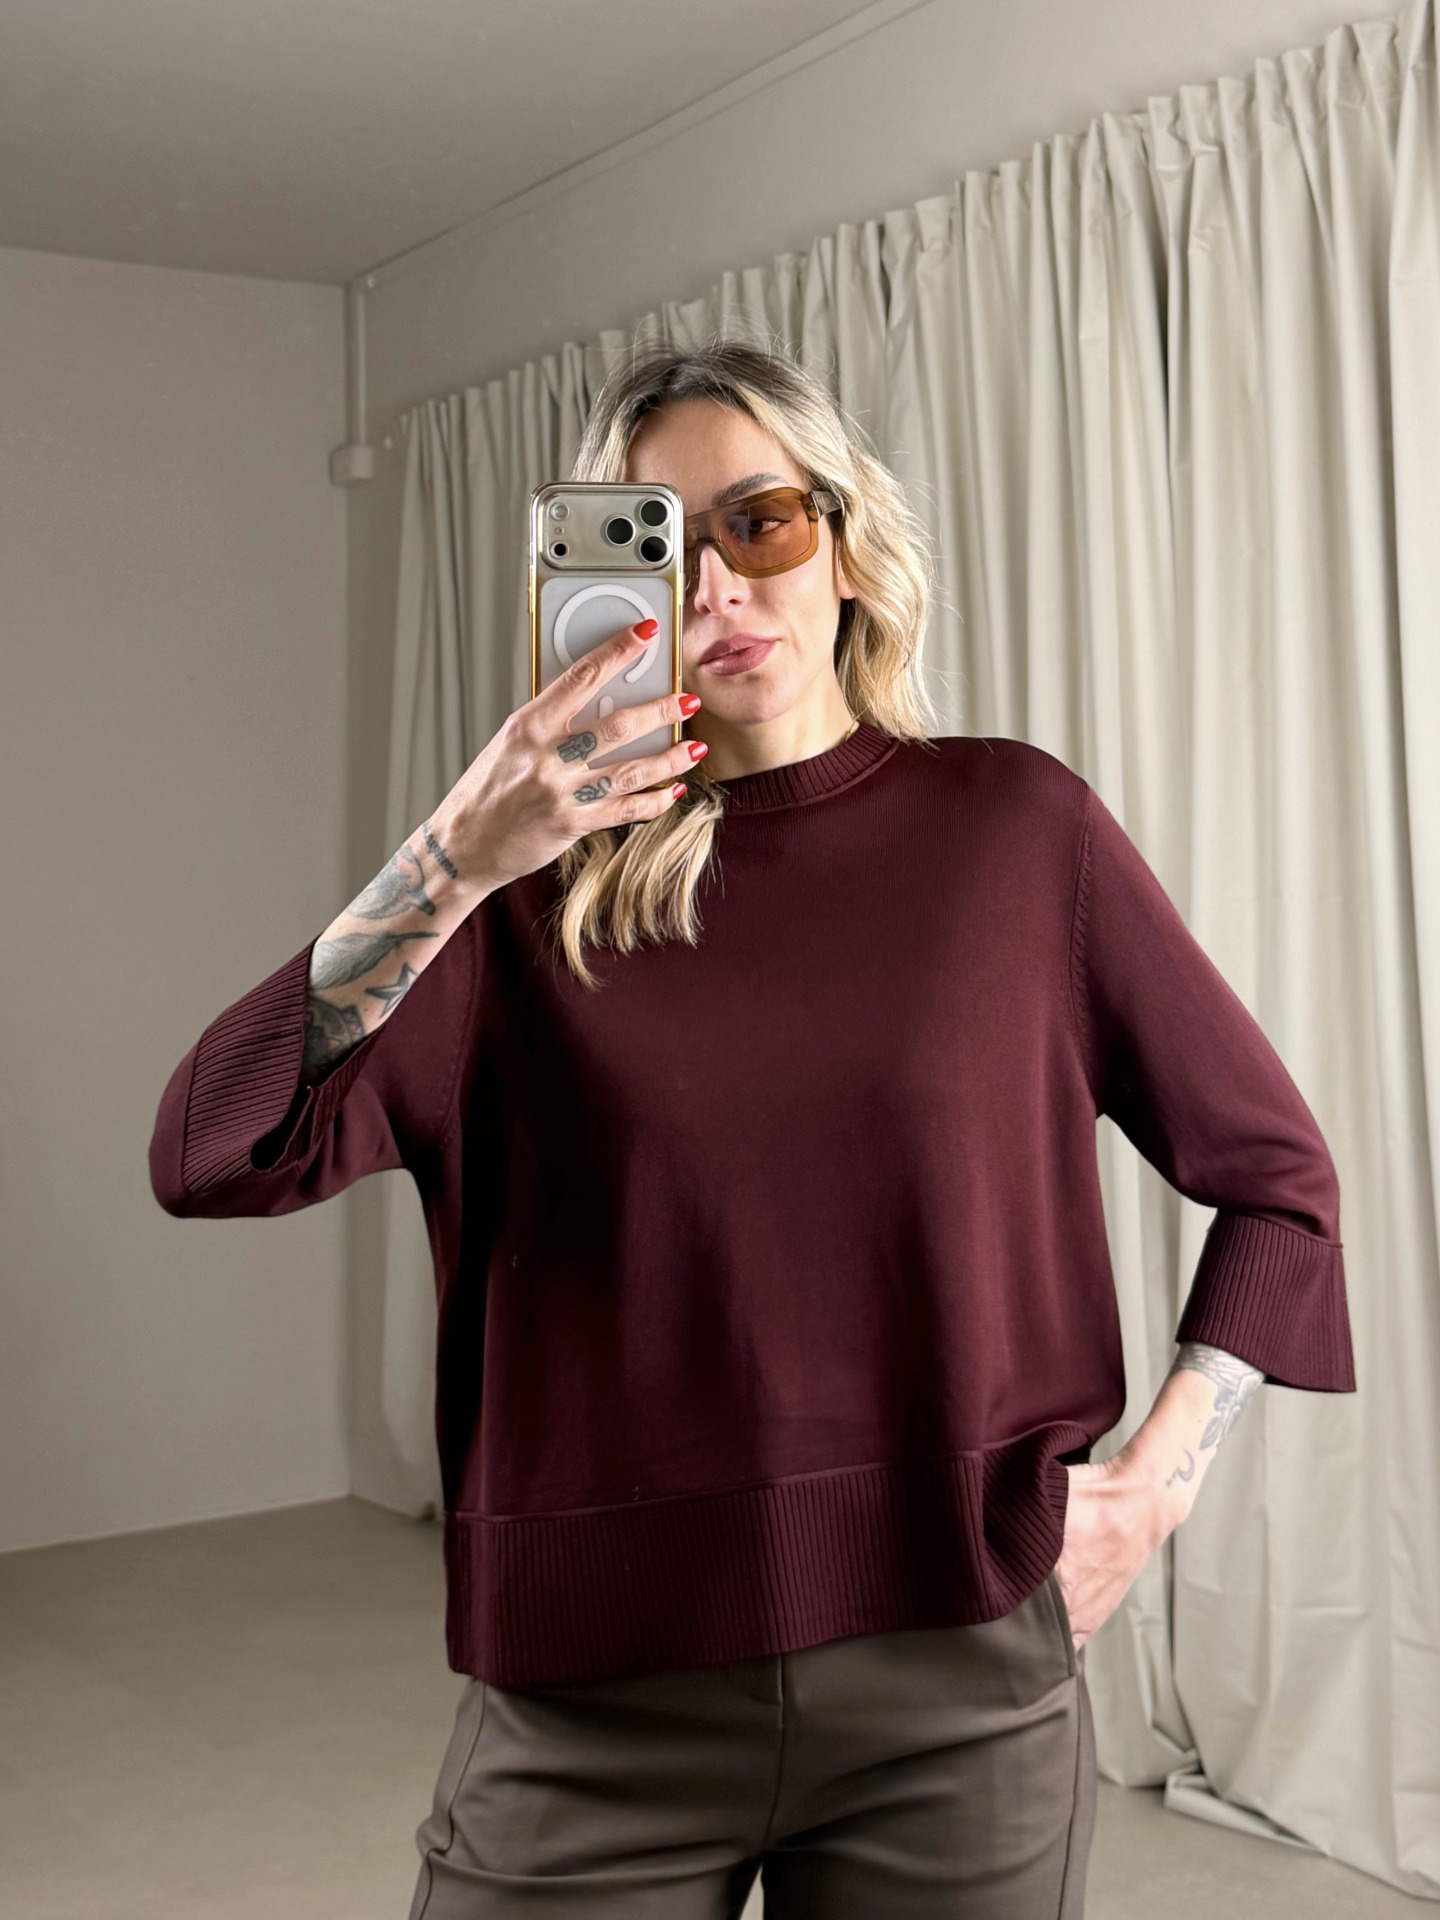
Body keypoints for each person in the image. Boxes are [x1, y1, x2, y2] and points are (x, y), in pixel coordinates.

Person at [149, 341, 1355, 1919]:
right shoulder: (518, 907)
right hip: (592, 1706)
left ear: (845, 546)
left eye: (761, 521)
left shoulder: (1016, 832)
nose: (719, 582)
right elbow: (214, 1150)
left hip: (958, 1692)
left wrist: (1155, 1485)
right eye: (659, 544)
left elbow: (1280, 1187)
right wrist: (454, 853)